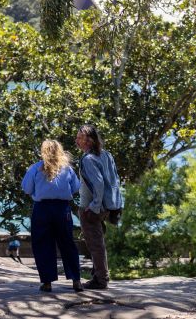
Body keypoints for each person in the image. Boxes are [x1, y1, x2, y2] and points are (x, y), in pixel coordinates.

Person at [21, 139, 83, 293]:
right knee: (67, 243)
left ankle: (47, 282)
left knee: (43, 245)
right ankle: (76, 280)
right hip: (62, 209)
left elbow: (27, 189)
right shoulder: (67, 169)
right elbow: (76, 187)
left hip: (42, 209)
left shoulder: (35, 168)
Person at [76, 124, 123, 290]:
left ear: (89, 140)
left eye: (80, 137)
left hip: (92, 208)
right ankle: (98, 276)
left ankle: (101, 280)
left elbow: (99, 184)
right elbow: (115, 179)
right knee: (98, 241)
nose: (76, 140)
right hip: (107, 206)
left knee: (95, 243)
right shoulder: (106, 154)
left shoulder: (88, 159)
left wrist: (93, 207)